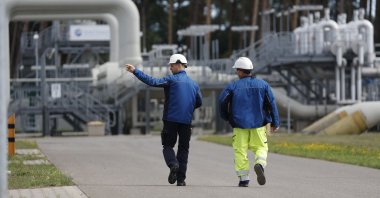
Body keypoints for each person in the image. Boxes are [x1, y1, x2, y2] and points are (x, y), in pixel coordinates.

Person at [125, 54, 202, 186]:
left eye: (171, 66)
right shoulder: (194, 85)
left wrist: (135, 71)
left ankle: (173, 164)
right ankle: (181, 180)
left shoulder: (170, 80)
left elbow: (152, 81)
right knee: (184, 149)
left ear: (179, 65)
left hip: (170, 119)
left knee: (167, 146)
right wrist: (187, 109)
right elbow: (199, 102)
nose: (170, 69)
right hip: (186, 121)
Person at [218, 57, 279, 187]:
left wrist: (227, 117)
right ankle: (260, 164)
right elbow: (272, 104)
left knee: (240, 151)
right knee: (261, 148)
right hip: (259, 125)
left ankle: (244, 179)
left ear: (240, 71)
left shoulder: (233, 86)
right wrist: (275, 122)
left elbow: (222, 101)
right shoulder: (263, 85)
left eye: (236, 70)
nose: (236, 72)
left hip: (239, 126)